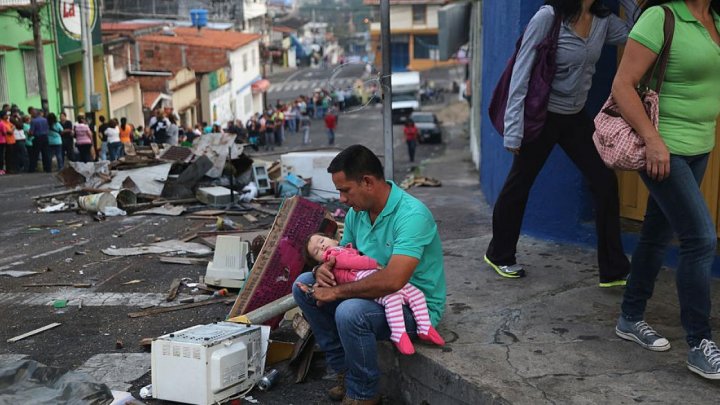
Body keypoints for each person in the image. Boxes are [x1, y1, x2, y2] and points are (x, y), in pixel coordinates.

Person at [484, 0, 638, 286]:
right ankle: (500, 253)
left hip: (575, 117)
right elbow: (522, 71)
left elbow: (636, 35)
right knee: (520, 183)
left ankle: (614, 269)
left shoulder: (603, 19)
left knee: (604, 181)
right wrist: (514, 130)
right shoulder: (548, 17)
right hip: (543, 115)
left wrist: (628, 2)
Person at [610, 0, 720, 380]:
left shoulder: (714, 18)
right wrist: (652, 139)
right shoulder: (662, 16)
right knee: (701, 239)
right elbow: (622, 86)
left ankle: (630, 317)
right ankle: (700, 343)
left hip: (700, 146)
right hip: (663, 150)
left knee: (657, 234)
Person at [292, 145, 446, 404]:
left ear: (367, 182)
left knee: (349, 311)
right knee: (303, 286)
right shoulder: (356, 214)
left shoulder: (412, 215)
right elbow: (344, 256)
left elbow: (393, 280)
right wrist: (323, 270)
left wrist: (336, 291)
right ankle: (345, 370)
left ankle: (364, 393)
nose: (341, 199)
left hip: (411, 305)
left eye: (345, 190)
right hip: (373, 295)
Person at [303, 233, 445, 356]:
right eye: (317, 252)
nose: (321, 247)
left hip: (379, 278)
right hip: (363, 279)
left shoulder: (344, 248)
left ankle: (425, 327)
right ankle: (399, 334)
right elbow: (354, 261)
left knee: (417, 293)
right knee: (391, 298)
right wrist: (374, 263)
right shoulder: (334, 254)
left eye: (322, 241)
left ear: (334, 239)